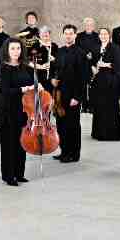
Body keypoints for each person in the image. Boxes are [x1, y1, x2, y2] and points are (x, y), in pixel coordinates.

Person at [0, 38, 39, 186]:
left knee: (22, 143)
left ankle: (19, 173)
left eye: (18, 48)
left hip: (24, 110)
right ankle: (9, 176)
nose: (16, 51)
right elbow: (5, 90)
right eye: (13, 48)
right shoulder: (3, 68)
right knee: (9, 144)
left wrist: (37, 86)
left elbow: (32, 83)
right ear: (7, 51)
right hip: (8, 109)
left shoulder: (26, 67)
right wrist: (24, 89)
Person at [51, 24, 86, 163]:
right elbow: (56, 70)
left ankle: (74, 154)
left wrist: (77, 97)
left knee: (73, 125)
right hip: (60, 94)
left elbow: (83, 77)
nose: (68, 35)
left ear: (75, 35)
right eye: (66, 33)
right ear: (63, 35)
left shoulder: (81, 53)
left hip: (73, 95)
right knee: (61, 124)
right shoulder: (60, 51)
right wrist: (52, 79)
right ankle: (64, 151)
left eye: (71, 33)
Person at [90, 28, 120, 141]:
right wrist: (93, 68)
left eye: (105, 34)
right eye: (101, 34)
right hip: (98, 80)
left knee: (110, 106)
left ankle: (111, 134)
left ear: (109, 35)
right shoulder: (95, 48)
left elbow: (119, 64)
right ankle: (99, 133)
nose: (103, 36)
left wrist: (107, 64)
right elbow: (91, 62)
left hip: (110, 80)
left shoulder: (115, 48)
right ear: (99, 36)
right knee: (99, 106)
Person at [76, 17, 101, 113]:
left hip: (94, 64)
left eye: (90, 24)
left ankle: (91, 106)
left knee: (93, 86)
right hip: (82, 64)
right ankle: (84, 105)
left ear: (93, 25)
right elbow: (77, 48)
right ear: (84, 25)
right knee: (83, 85)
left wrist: (92, 55)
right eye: (87, 24)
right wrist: (85, 54)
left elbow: (99, 48)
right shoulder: (79, 36)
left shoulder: (97, 36)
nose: (89, 26)